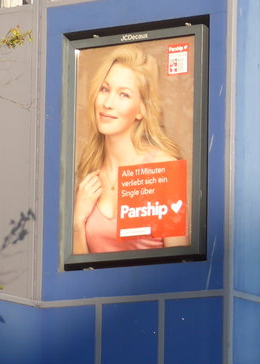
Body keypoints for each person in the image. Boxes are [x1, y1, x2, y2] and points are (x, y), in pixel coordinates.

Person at [72, 47, 188, 254]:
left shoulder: (161, 167)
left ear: (142, 109)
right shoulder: (88, 172)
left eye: (123, 94)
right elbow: (79, 272)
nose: (108, 104)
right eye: (105, 89)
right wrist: (78, 223)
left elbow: (179, 263)